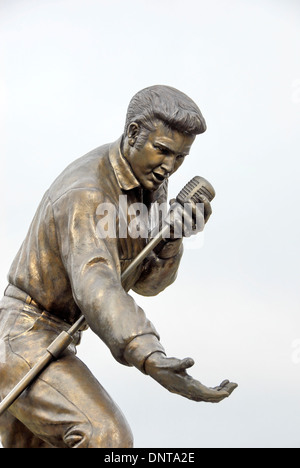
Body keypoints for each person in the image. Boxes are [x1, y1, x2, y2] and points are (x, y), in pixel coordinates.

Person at [0, 85, 237, 448]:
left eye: (180, 158)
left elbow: (146, 284)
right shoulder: (87, 193)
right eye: (162, 151)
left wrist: (171, 239)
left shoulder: (148, 184)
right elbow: (96, 283)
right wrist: (149, 355)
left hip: (54, 340)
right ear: (132, 134)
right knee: (106, 437)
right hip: (22, 339)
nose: (169, 167)